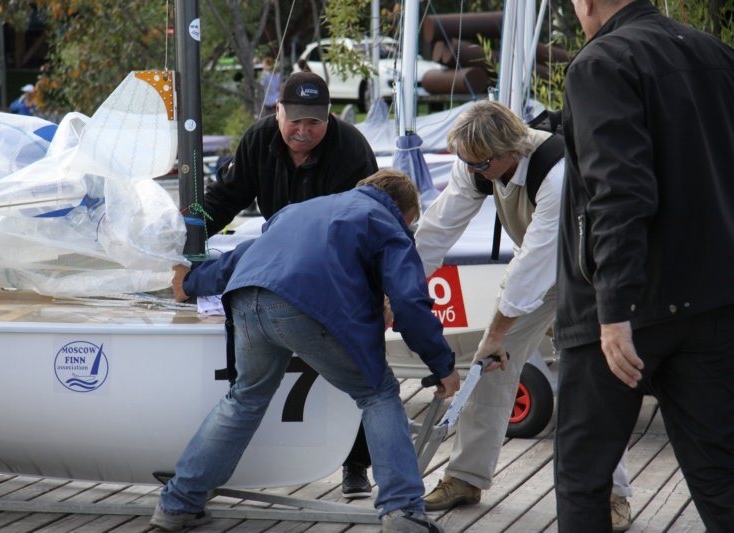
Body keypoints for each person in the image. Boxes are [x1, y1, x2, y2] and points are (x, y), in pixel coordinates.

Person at [150, 169, 460, 532]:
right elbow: (408, 301)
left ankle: (178, 504)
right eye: (410, 221)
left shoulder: (300, 209)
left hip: (246, 298)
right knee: (378, 394)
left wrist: (191, 282)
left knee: (244, 400)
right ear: (402, 210)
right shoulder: (386, 222)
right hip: (304, 306)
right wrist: (442, 365)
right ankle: (404, 513)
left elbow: (243, 256)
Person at [555, 1, 734, 532]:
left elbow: (619, 191)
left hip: (621, 311)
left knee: (585, 477)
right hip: (711, 302)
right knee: (722, 473)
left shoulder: (599, 64)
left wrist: (613, 310)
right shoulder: (717, 54)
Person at [414, 100, 632, 530]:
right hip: (539, 267)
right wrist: (399, 288)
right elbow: (437, 228)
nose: (471, 171)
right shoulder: (476, 162)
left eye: (480, 165)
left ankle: (612, 493)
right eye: (466, 162)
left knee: (592, 383)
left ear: (510, 152)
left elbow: (533, 264)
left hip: (588, 274)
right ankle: (466, 476)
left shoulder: (557, 171)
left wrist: (497, 331)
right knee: (488, 366)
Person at [202, 71, 380, 496]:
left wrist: (379, 294)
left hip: (337, 270)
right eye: (294, 119)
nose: (303, 130)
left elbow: (370, 225)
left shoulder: (353, 150)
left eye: (313, 122)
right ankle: (227, 465)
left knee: (364, 371)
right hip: (277, 269)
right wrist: (185, 236)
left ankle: (356, 462)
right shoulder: (257, 140)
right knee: (247, 385)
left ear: (329, 117)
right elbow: (225, 198)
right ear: (278, 111)